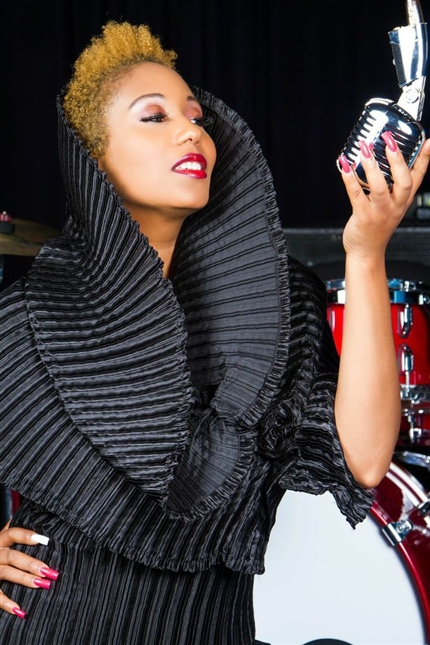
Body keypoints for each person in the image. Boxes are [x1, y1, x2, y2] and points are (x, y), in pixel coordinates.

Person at [0, 20, 429, 645]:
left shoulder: (281, 308)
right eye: (154, 117)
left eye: (196, 116)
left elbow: (364, 461)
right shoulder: (34, 315)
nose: (189, 130)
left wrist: (366, 252)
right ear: (94, 157)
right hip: (55, 625)